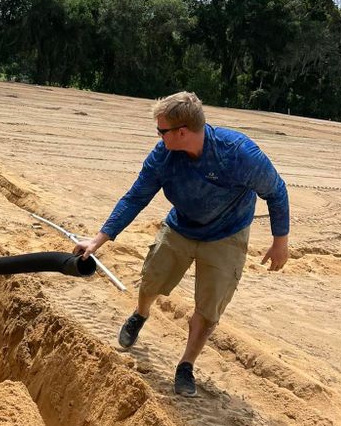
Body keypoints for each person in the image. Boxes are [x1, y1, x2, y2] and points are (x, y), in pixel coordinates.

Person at [73, 91, 290, 397]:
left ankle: (186, 364)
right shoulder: (163, 156)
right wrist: (98, 240)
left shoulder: (238, 153)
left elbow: (277, 191)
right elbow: (136, 197)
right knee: (151, 279)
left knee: (209, 306)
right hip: (181, 226)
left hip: (226, 234)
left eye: (162, 131)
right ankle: (141, 314)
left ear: (182, 132)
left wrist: (280, 241)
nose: (158, 136)